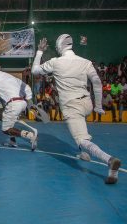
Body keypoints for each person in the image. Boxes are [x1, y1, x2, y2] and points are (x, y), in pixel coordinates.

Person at [32, 35, 121, 184]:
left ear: (60, 46)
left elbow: (35, 70)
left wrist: (40, 52)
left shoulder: (55, 62)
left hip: (72, 106)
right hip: (87, 104)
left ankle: (110, 160)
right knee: (81, 130)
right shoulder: (85, 62)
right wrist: (98, 105)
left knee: (82, 139)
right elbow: (97, 82)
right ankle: (85, 153)